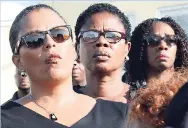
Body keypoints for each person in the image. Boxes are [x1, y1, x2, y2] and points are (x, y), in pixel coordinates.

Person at [1, 4, 129, 128]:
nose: (50, 43)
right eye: (34, 39)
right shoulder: (5, 120)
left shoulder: (124, 117)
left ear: (74, 49)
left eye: (59, 35)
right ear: (18, 61)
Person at [74, 3, 131, 103]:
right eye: (90, 35)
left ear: (127, 48)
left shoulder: (147, 104)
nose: (101, 41)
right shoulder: (62, 104)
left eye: (113, 36)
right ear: (77, 48)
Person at [125, 17, 188, 99]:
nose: (163, 46)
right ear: (141, 49)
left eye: (170, 40)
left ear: (178, 49)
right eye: (153, 40)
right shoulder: (127, 97)